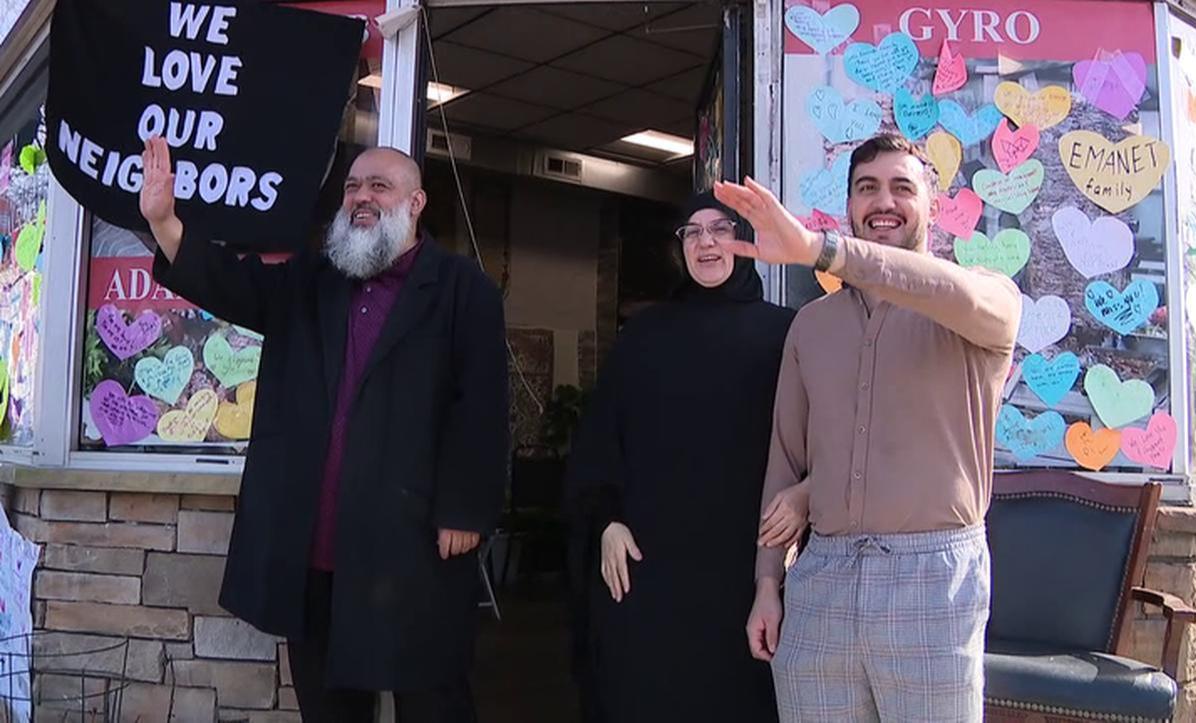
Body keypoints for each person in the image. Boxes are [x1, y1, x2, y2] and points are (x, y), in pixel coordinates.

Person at [140, 136, 510, 723]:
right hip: (317, 550)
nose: (361, 198)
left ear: (416, 203)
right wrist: (165, 222)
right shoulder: (314, 279)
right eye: (353, 188)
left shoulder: (464, 291)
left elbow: (483, 409)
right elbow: (230, 284)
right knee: (329, 708)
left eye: (379, 187)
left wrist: (466, 509)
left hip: (410, 551)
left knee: (432, 700)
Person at [715, 133, 1022, 722]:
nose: (884, 201)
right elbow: (786, 461)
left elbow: (934, 284)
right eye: (867, 188)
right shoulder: (811, 327)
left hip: (932, 584)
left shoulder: (983, 302)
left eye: (902, 187)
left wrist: (816, 249)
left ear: (934, 204)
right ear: (850, 205)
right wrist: (767, 583)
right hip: (822, 581)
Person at [565, 193, 806, 723]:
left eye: (720, 229)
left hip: (745, 572)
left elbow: (822, 440)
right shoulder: (644, 337)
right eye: (692, 233)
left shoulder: (789, 334)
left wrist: (804, 499)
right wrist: (605, 521)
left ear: (745, 242)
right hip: (649, 571)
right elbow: (601, 437)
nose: (706, 243)